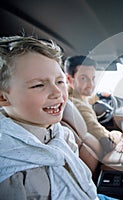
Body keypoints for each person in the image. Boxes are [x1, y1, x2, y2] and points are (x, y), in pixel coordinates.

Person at [0, 36, 116, 200]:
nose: (58, 93)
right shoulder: (8, 171)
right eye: (38, 85)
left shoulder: (61, 133)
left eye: (59, 81)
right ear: (3, 97)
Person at [64, 56, 122, 154]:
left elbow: (88, 99)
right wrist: (118, 134)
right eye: (83, 78)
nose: (91, 84)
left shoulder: (71, 96)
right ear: (69, 79)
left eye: (93, 78)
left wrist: (99, 95)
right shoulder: (80, 108)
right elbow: (108, 142)